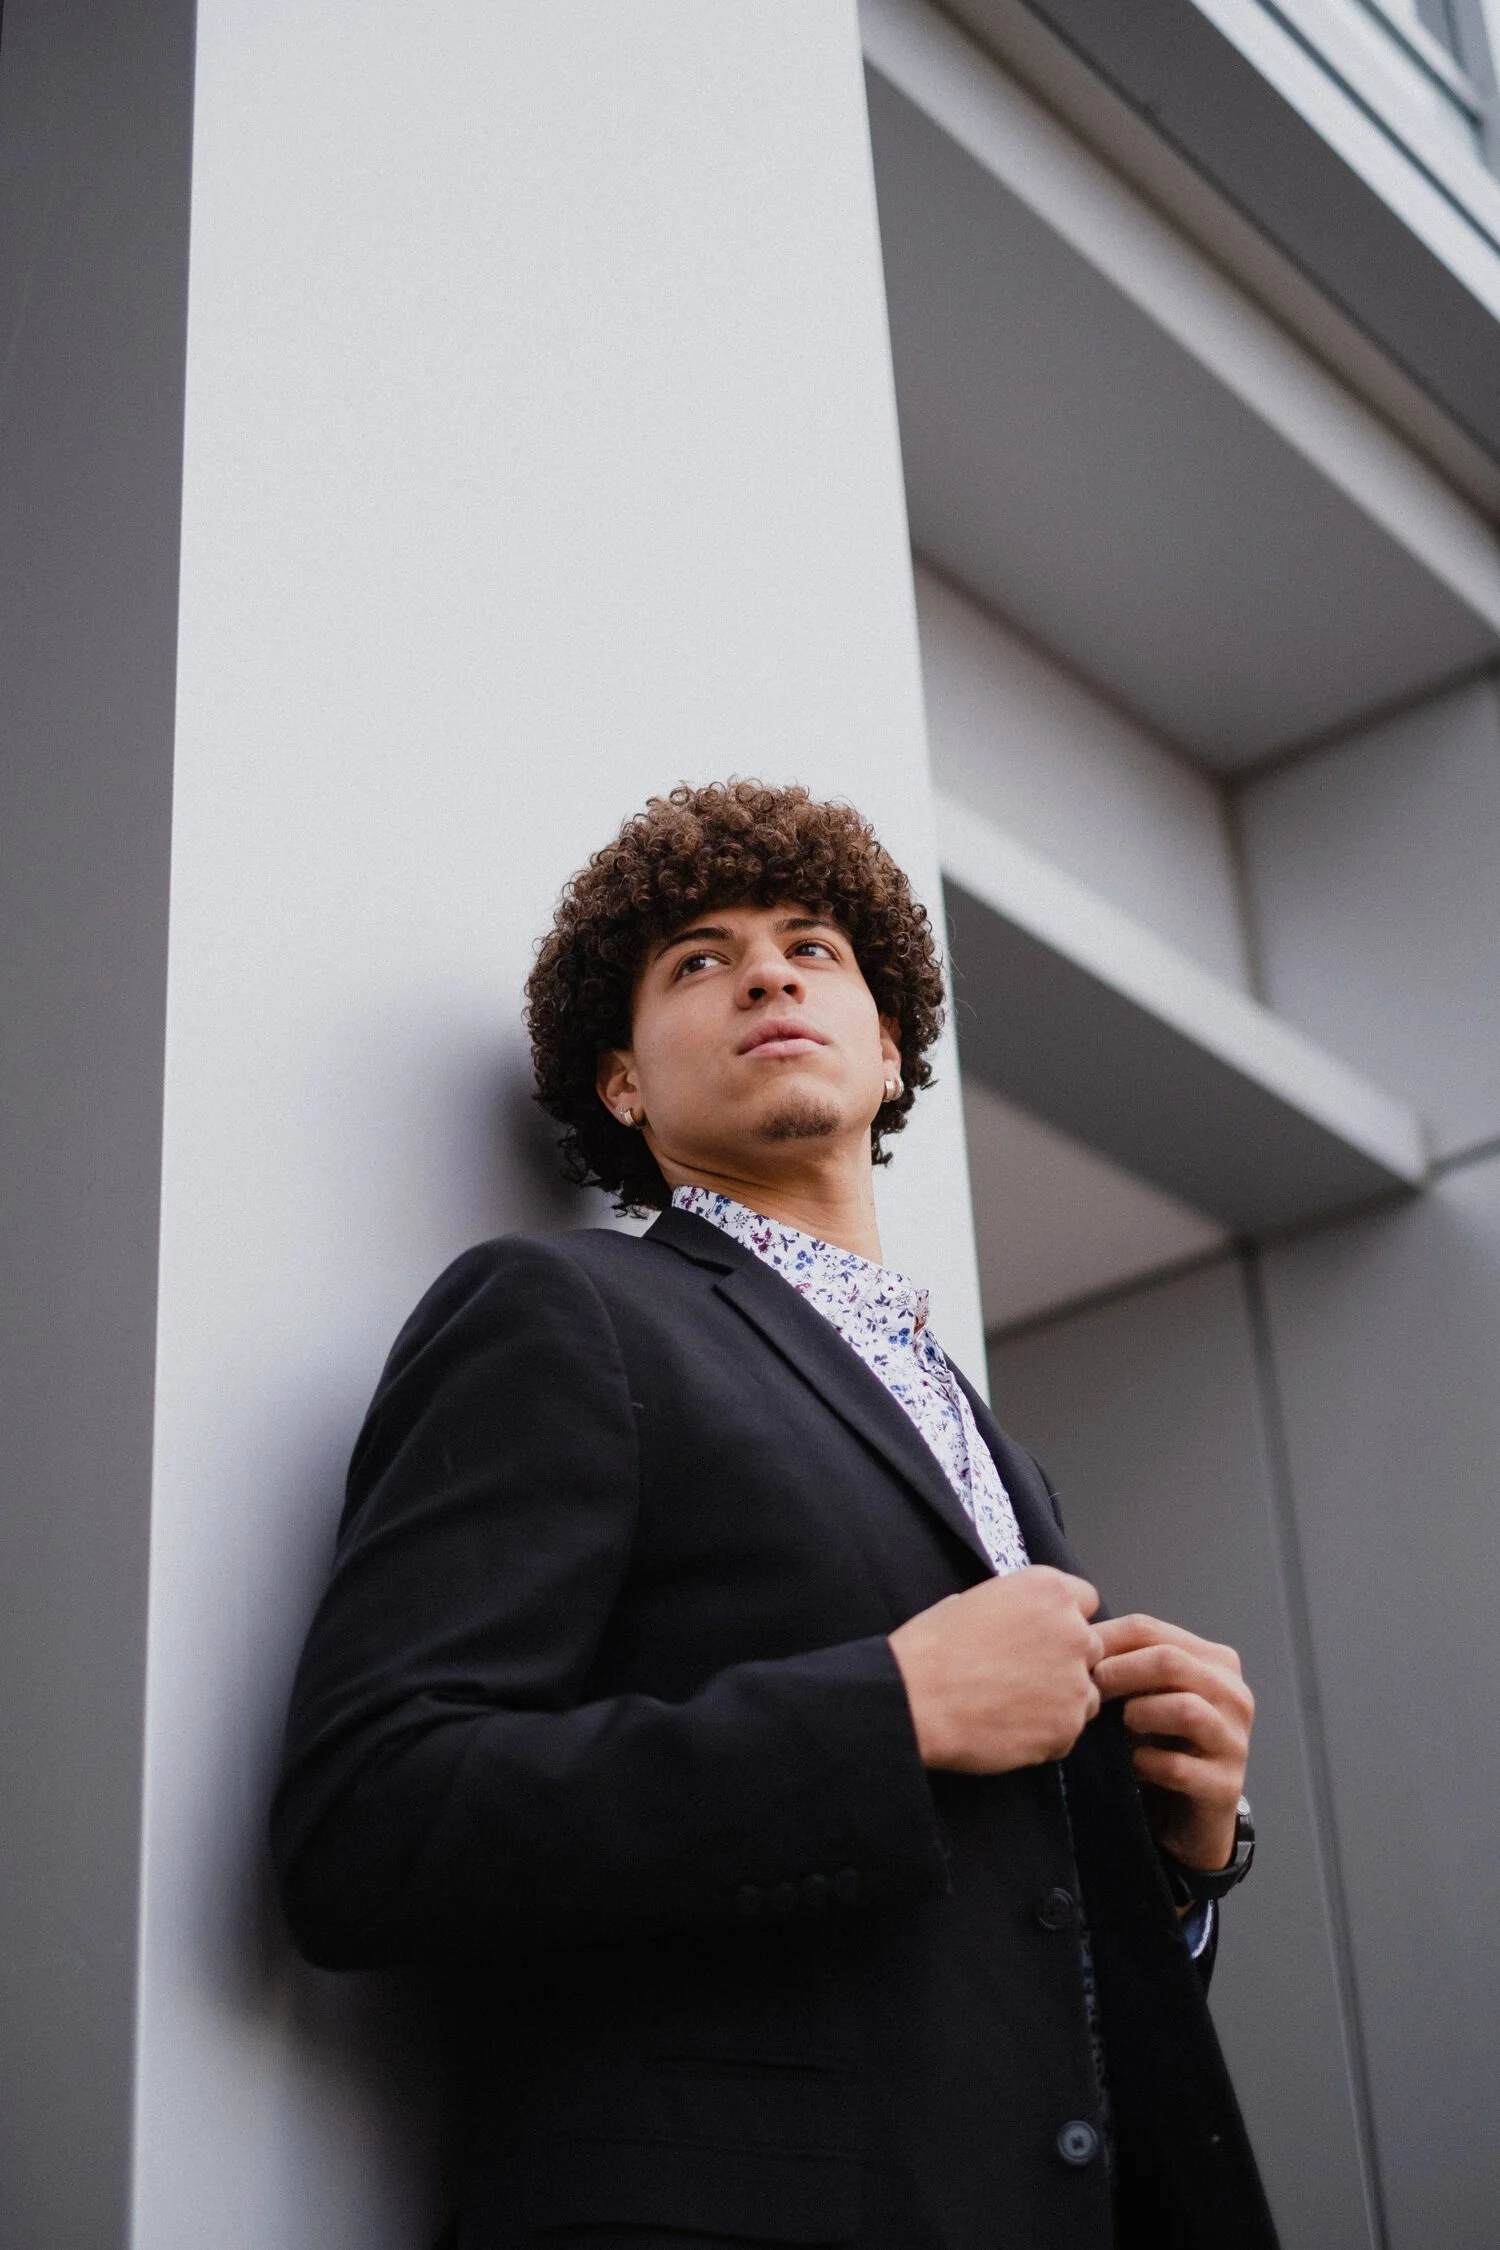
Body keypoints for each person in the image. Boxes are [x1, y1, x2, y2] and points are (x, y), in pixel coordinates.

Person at [272, 781, 1275, 2250]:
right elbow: (372, 1824)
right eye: (700, 960)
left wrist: (1174, 1869)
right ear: (622, 1083)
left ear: (890, 1046)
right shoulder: (563, 1311)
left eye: (814, 947)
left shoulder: (993, 1448)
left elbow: (1016, 1984)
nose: (766, 974)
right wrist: (891, 1710)